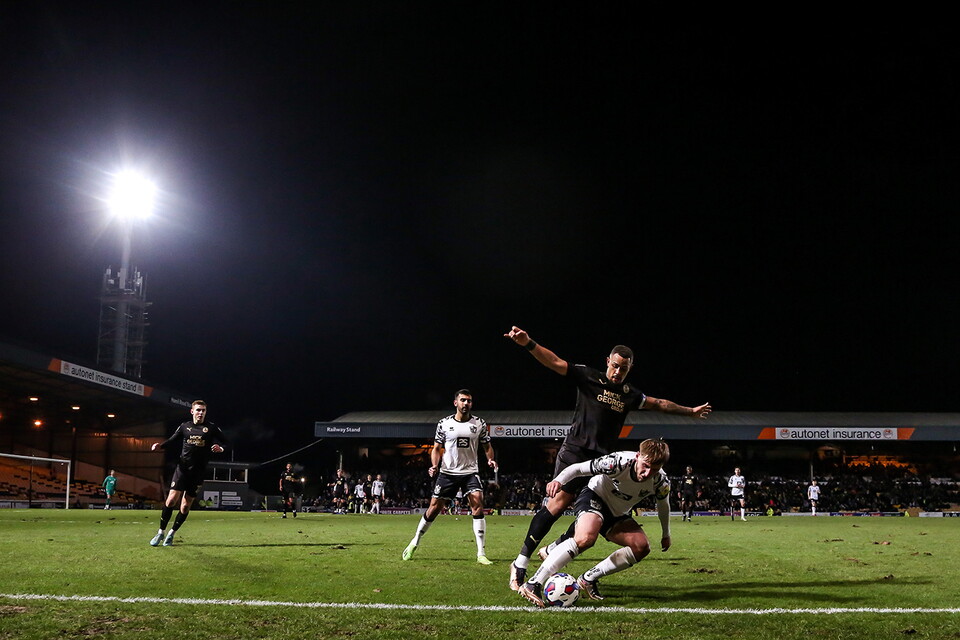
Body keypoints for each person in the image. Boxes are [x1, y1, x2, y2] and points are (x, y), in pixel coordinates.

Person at [503, 326, 711, 591]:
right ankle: (521, 561)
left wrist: (690, 411)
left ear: (629, 369)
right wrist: (528, 343)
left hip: (602, 462)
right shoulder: (588, 377)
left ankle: (554, 549)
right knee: (557, 505)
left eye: (623, 369)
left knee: (591, 514)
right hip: (575, 451)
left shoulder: (630, 395)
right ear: (607, 363)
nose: (617, 372)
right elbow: (554, 361)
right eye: (614, 366)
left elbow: (659, 404)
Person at [518, 438, 672, 607]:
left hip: (618, 514)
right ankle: (534, 583)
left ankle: (588, 579)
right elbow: (577, 468)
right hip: (594, 497)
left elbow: (663, 506)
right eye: (646, 466)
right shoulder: (616, 463)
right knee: (585, 538)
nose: (648, 473)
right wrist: (558, 481)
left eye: (654, 469)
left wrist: (666, 534)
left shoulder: (660, 482)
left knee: (641, 547)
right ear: (637, 456)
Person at [402, 389, 498, 565]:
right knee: (434, 509)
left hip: (470, 472)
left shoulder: (479, 424)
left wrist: (491, 460)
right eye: (462, 400)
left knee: (478, 503)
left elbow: (487, 446)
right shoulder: (444, 424)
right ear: (456, 403)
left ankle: (481, 553)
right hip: (448, 473)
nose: (466, 403)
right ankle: (414, 542)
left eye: (469, 401)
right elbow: (437, 448)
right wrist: (434, 465)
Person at [148, 400, 227, 546]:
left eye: (203, 410)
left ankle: (171, 534)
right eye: (198, 410)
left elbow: (226, 442)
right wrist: (160, 446)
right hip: (182, 469)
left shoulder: (211, 428)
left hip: (198, 473)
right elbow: (172, 440)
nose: (200, 413)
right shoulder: (185, 427)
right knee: (171, 500)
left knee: (185, 506)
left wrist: (221, 448)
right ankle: (160, 532)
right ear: (192, 411)